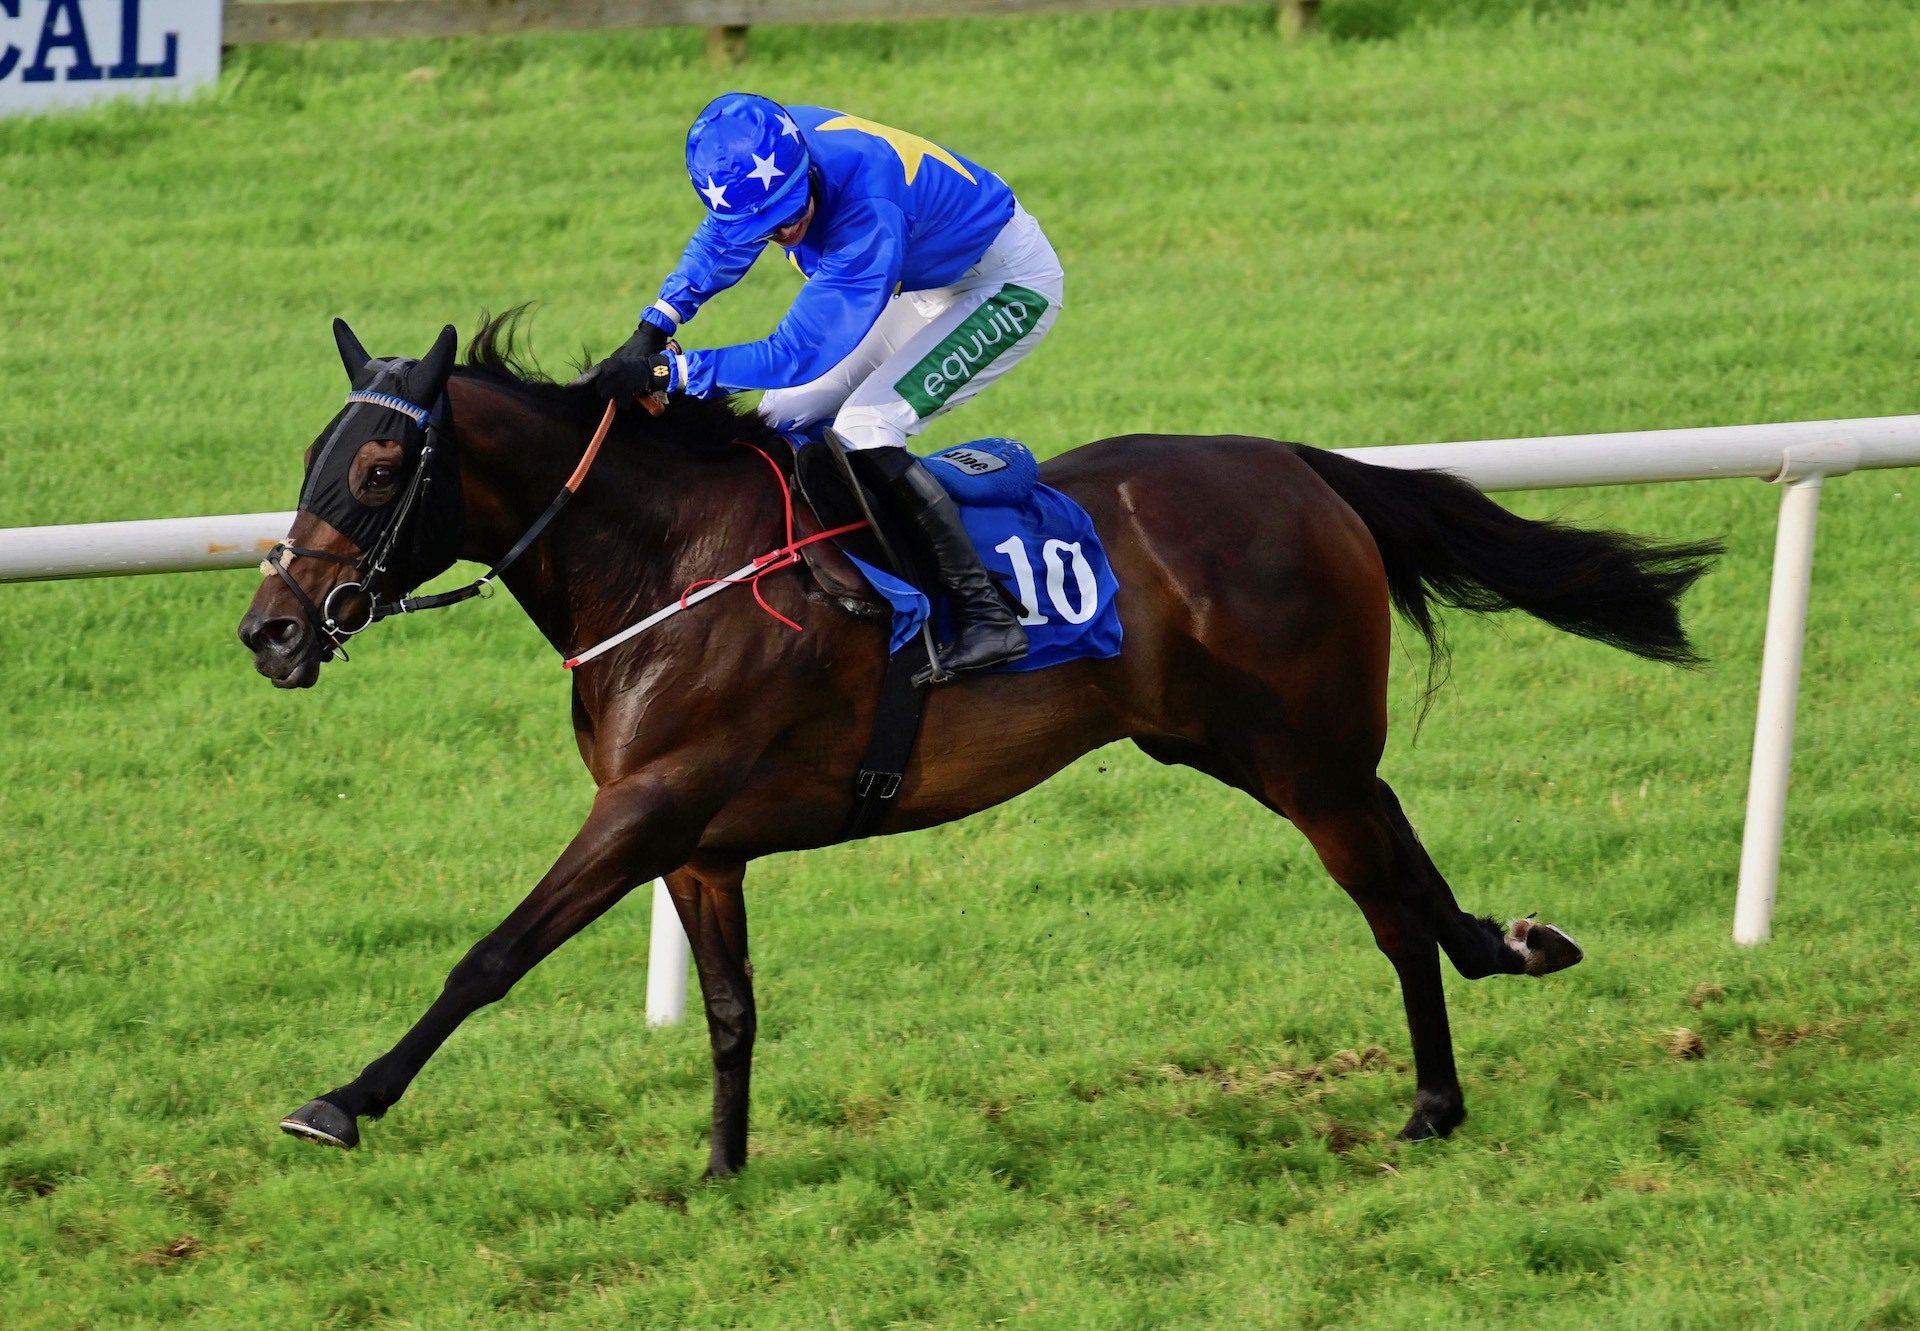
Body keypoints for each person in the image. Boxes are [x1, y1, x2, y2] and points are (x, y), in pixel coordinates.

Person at [588, 92, 1066, 680]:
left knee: (867, 427)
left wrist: (671, 372)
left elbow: (796, 354)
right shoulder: (764, 151)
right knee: (778, 419)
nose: (784, 232)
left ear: (804, 171)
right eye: (766, 227)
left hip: (1005, 286)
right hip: (919, 280)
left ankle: (985, 614)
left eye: (789, 213)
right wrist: (654, 327)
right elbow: (719, 241)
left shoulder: (867, 209)